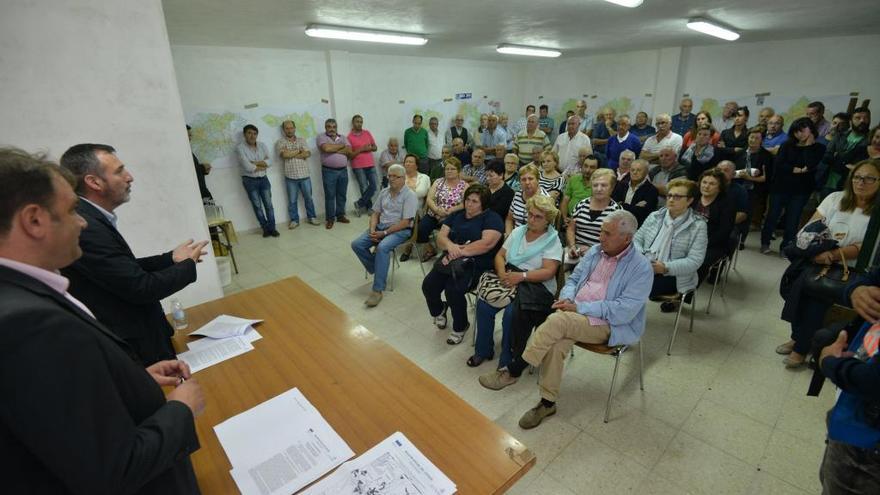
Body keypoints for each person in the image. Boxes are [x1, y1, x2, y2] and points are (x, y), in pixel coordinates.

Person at [0, 147, 204, 494]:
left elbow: (63, 414)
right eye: (70, 211)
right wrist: (181, 411)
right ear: (33, 220)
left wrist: (134, 381)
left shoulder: (23, 295)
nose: (81, 222)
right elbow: (111, 470)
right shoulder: (28, 324)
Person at [478, 210, 652, 430]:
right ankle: (547, 402)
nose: (601, 237)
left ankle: (514, 369)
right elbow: (574, 278)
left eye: (607, 233)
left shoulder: (641, 268)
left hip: (608, 323)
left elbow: (623, 311)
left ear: (627, 238)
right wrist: (567, 297)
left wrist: (579, 307)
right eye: (601, 231)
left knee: (558, 322)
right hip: (574, 312)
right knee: (557, 341)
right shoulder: (595, 252)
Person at [60, 143, 208, 365]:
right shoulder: (88, 227)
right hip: (136, 347)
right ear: (94, 182)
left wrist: (170, 259)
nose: (130, 177)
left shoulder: (93, 217)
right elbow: (141, 287)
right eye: (119, 171)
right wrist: (186, 265)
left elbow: (123, 267)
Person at [777, 159, 880, 368]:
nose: (862, 182)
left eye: (870, 178)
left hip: (849, 268)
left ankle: (801, 348)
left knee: (817, 296)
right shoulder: (835, 199)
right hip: (818, 257)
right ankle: (798, 336)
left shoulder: (876, 213)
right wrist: (817, 249)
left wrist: (833, 255)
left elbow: (866, 246)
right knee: (798, 288)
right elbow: (812, 227)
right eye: (858, 177)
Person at [470, 195, 562, 368]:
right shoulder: (518, 232)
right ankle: (483, 350)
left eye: (538, 217)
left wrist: (521, 277)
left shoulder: (552, 240)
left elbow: (549, 272)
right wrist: (502, 273)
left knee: (512, 314)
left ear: (548, 220)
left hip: (536, 287)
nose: (532, 219)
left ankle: (508, 358)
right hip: (510, 277)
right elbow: (500, 255)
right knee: (483, 305)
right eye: (530, 215)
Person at [817, 267, 880, 493]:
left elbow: (874, 381)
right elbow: (870, 278)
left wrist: (831, 364)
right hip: (853, 407)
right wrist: (857, 290)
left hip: (870, 444)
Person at [422, 184, 504, 344]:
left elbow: (485, 245)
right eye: (467, 200)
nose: (469, 204)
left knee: (453, 290)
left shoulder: (492, 219)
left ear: (483, 204)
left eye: (475, 201)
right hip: (451, 259)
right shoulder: (457, 215)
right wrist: (451, 246)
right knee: (428, 285)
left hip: (477, 263)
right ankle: (440, 310)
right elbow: (441, 238)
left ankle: (460, 326)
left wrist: (457, 250)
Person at [633, 178, 707, 312]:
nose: (671, 199)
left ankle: (621, 320)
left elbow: (695, 261)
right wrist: (642, 256)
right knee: (616, 274)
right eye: (670, 195)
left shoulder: (698, 226)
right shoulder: (655, 216)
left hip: (674, 275)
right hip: (645, 264)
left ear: (690, 201)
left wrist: (665, 268)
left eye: (678, 196)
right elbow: (636, 240)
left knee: (633, 285)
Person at [351, 164, 418, 308]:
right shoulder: (384, 192)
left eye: (395, 176)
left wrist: (385, 233)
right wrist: (373, 230)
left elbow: (406, 222)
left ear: (403, 178)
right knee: (356, 244)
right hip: (380, 227)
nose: (392, 179)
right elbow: (375, 213)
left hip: (401, 230)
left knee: (382, 247)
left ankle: (377, 290)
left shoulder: (409, 195)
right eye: (390, 176)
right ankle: (377, 266)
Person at [761, 117, 826, 254]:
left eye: (803, 131)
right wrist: (794, 169)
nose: (799, 135)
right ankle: (765, 243)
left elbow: (811, 165)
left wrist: (808, 146)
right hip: (780, 186)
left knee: (793, 219)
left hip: (801, 190)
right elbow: (779, 164)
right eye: (796, 132)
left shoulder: (819, 147)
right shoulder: (787, 145)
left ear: (811, 130)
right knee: (772, 216)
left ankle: (786, 247)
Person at [415, 158, 467, 262]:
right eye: (447, 169)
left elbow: (465, 203)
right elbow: (429, 198)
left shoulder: (464, 185)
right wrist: (436, 209)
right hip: (435, 213)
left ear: (458, 171)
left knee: (453, 233)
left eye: (452, 169)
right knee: (421, 229)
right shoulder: (438, 182)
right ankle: (430, 249)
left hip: (453, 216)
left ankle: (449, 253)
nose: (449, 171)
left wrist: (452, 210)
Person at [566, 169, 621, 265]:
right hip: (577, 250)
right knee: (557, 267)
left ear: (612, 188)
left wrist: (593, 250)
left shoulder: (616, 211)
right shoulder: (581, 204)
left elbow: (615, 241)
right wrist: (572, 246)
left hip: (601, 254)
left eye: (604, 185)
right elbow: (571, 229)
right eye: (595, 185)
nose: (599, 189)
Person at [692, 168, 735, 283]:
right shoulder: (693, 197)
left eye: (712, 184)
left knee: (700, 262)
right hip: (688, 238)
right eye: (704, 182)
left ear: (719, 187)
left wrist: (701, 243)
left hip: (712, 243)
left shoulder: (727, 204)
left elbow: (724, 231)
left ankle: (685, 296)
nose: (706, 186)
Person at [236, 124, 279, 237]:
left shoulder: (262, 145)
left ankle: (272, 228)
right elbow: (248, 167)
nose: (252, 136)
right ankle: (265, 228)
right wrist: (261, 164)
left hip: (264, 179)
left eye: (255, 133)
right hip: (249, 181)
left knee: (269, 205)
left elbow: (270, 161)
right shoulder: (240, 148)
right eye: (249, 133)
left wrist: (255, 163)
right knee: (257, 206)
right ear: (245, 134)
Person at [276, 120, 318, 228]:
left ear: (295, 128)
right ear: (283, 129)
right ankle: (294, 220)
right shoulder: (280, 142)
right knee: (292, 200)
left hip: (305, 175)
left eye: (291, 128)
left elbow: (308, 153)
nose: (289, 130)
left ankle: (312, 217)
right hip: (291, 177)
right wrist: (298, 151)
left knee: (308, 198)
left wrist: (291, 153)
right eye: (287, 128)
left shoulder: (302, 140)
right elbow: (284, 155)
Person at [822, 107, 872, 196]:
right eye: (858, 118)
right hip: (830, 180)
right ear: (851, 121)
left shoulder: (871, 140)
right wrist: (844, 163)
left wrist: (837, 158)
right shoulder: (840, 135)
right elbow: (826, 155)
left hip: (853, 184)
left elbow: (865, 164)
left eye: (866, 118)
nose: (862, 121)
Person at [734, 127, 774, 233]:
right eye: (751, 137)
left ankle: (742, 239)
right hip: (737, 187)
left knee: (747, 214)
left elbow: (766, 178)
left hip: (754, 190)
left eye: (757, 138)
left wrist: (749, 178)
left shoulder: (766, 156)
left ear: (762, 140)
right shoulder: (739, 153)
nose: (753, 140)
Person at [316, 118, 352, 229]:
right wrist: (341, 146)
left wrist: (334, 148)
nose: (332, 129)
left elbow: (349, 151)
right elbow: (326, 148)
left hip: (343, 171)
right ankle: (330, 219)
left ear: (336, 128)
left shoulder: (343, 137)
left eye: (334, 127)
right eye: (329, 127)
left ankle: (340, 215)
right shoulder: (321, 137)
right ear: (325, 128)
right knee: (330, 196)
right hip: (329, 171)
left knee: (341, 194)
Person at [347, 114, 378, 217]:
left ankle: (359, 203)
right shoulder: (349, 137)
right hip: (358, 166)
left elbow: (375, 147)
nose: (359, 124)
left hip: (370, 164)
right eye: (357, 121)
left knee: (374, 185)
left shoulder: (367, 133)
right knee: (364, 187)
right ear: (353, 123)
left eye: (361, 122)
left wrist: (370, 148)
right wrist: (362, 149)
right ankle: (369, 208)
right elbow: (350, 155)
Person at [612, 159, 658, 226]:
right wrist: (634, 207)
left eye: (638, 170)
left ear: (646, 172)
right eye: (632, 170)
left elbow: (643, 213)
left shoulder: (652, 190)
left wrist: (622, 204)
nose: (635, 172)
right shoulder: (621, 185)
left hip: (637, 226)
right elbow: (613, 205)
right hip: (616, 222)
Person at [506, 164, 549, 235]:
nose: (527, 182)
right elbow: (509, 219)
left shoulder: (545, 199)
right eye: (523, 179)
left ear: (538, 180)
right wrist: (509, 236)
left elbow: (546, 230)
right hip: (515, 237)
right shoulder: (517, 195)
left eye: (531, 179)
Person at [717, 161, 750, 249]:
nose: (721, 173)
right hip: (706, 222)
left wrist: (722, 224)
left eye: (726, 170)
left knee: (730, 238)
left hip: (729, 224)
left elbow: (742, 215)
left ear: (734, 174)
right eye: (719, 170)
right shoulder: (707, 185)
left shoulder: (740, 191)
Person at [560, 154, 598, 226]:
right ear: (582, 166)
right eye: (585, 166)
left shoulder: (599, 185)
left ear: (597, 169)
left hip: (589, 222)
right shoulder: (574, 179)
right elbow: (565, 200)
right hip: (570, 219)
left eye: (592, 167)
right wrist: (565, 218)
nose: (587, 170)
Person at [186, 125, 212, 201]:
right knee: (212, 212)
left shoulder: (188, 150)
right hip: (197, 192)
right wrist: (202, 167)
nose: (191, 138)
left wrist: (203, 169)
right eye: (189, 135)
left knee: (213, 211)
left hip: (202, 189)